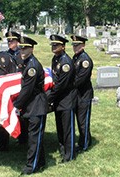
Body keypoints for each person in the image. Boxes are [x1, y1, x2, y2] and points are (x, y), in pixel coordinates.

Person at [13, 36, 48, 175]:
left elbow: (27, 89)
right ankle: (41, 162)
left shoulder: (32, 66)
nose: (22, 50)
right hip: (32, 105)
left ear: (32, 49)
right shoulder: (26, 62)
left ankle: (31, 166)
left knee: (34, 138)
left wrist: (16, 105)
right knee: (35, 136)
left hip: (36, 105)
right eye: (21, 47)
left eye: (25, 48)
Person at [47, 34, 76, 162]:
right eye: (52, 45)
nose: (53, 47)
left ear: (63, 47)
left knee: (67, 128)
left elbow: (61, 85)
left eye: (56, 45)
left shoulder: (66, 63)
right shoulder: (56, 59)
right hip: (58, 99)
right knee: (60, 127)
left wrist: (48, 97)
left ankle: (69, 155)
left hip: (66, 99)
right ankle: (62, 149)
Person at [71, 35, 94, 152]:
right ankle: (85, 140)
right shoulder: (75, 58)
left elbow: (80, 79)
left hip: (84, 94)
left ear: (83, 45)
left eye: (78, 45)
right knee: (80, 120)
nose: (75, 47)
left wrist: (68, 85)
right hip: (77, 94)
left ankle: (84, 145)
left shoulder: (85, 60)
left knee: (83, 121)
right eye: (74, 45)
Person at [5, 31, 28, 144]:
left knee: (22, 114)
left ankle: (23, 136)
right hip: (9, 89)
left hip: (21, 88)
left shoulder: (23, 54)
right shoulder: (5, 55)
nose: (10, 42)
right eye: (8, 40)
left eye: (12, 40)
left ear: (18, 42)